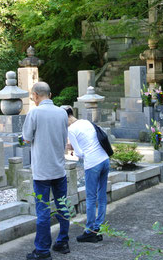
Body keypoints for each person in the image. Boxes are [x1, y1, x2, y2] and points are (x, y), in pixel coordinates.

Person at [22, 82, 70, 260]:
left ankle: (42, 250)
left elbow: (26, 138)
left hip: (42, 170)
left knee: (43, 210)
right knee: (62, 206)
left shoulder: (34, 112)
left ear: (35, 95)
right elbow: (64, 136)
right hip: (59, 168)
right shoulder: (62, 112)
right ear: (49, 95)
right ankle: (62, 242)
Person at [63, 106, 109, 243]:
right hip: (105, 159)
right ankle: (99, 228)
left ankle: (89, 230)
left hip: (93, 163)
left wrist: (71, 148)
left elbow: (80, 153)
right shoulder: (86, 122)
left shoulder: (71, 130)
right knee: (101, 196)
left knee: (90, 198)